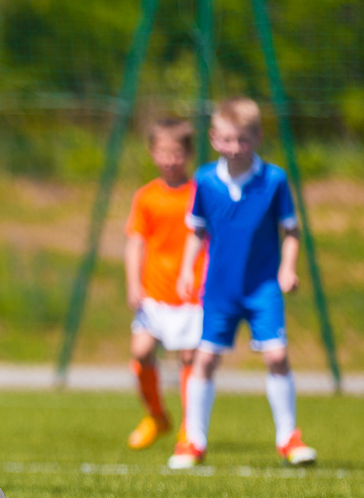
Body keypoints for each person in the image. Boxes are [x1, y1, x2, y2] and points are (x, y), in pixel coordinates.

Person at [167, 97, 316, 469]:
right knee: (206, 359)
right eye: (228, 140)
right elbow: (195, 232)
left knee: (277, 356)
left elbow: (292, 231)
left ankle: (289, 438)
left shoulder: (274, 180)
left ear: (257, 137)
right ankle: (193, 441)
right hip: (219, 288)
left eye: (243, 140)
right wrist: (188, 270)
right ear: (215, 138)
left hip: (263, 286)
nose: (235, 148)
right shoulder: (204, 179)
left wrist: (288, 267)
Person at [123, 118, 204, 450]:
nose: (170, 159)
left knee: (190, 358)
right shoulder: (146, 197)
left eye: (177, 152)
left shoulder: (202, 193)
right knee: (141, 352)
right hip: (154, 292)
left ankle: (190, 427)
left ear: (189, 153)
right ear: (152, 153)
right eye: (163, 152)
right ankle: (156, 415)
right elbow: (135, 241)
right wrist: (133, 283)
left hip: (193, 293)